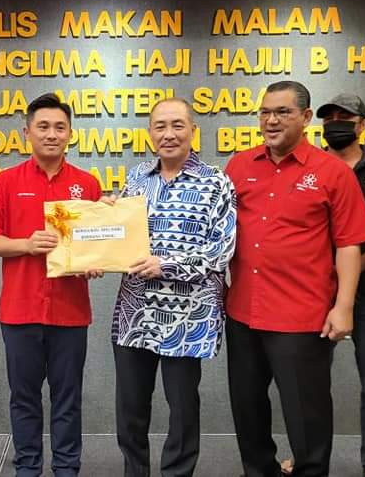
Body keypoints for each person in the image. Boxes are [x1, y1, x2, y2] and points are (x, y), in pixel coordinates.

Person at [224, 81, 365, 477]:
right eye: (265, 112)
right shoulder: (239, 166)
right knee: (247, 410)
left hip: (301, 316)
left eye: (283, 112)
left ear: (306, 118)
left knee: (307, 416)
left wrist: (344, 307)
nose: (271, 121)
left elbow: (349, 244)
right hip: (242, 312)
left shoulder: (332, 172)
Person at [109, 98, 236, 477]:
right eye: (160, 126)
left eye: (178, 125)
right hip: (135, 314)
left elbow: (222, 249)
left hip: (188, 318)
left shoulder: (216, 181)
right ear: (150, 133)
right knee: (130, 408)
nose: (169, 134)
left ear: (193, 131)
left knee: (182, 409)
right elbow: (118, 238)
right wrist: (100, 231)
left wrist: (167, 264)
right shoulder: (136, 179)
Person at [0, 93, 102, 477]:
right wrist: (26, 245)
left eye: (60, 127)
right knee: (24, 397)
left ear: (70, 134)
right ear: (26, 132)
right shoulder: (5, 182)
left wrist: (93, 263)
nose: (52, 134)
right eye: (43, 126)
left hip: (70, 311)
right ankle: (27, 467)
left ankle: (67, 468)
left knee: (68, 398)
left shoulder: (87, 184)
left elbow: (96, 244)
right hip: (20, 311)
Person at [317, 94, 365, 477]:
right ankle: (308, 455)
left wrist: (347, 274)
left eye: (344, 117)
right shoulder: (311, 168)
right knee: (310, 383)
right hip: (319, 293)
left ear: (363, 125)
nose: (336, 123)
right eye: (329, 118)